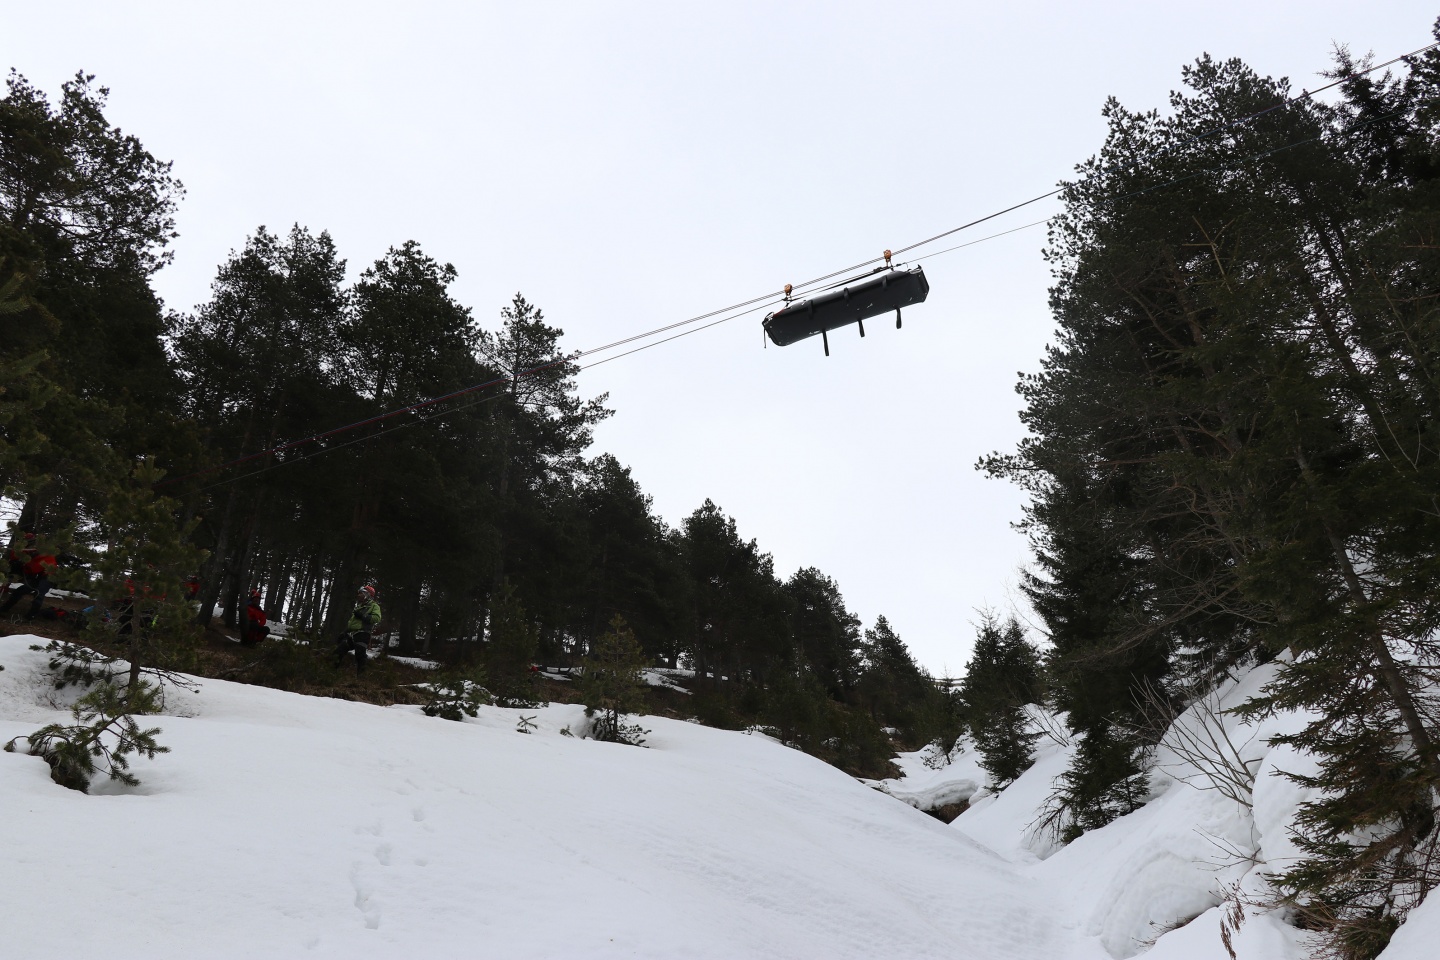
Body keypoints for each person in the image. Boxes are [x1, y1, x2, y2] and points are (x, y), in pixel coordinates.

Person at [1, 534, 58, 620]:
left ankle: (30, 616)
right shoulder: (26, 551)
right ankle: (3, 610)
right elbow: (16, 557)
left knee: (39, 593)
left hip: (48, 576)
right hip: (36, 576)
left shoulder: (44, 552)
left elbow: (38, 566)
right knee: (19, 591)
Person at [335, 585, 381, 674]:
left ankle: (361, 679)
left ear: (367, 595)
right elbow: (353, 623)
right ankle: (330, 673)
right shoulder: (359, 606)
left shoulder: (374, 606)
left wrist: (363, 616)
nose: (358, 595)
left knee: (360, 655)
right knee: (338, 652)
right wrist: (344, 632)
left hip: (363, 634)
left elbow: (377, 618)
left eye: (361, 593)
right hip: (352, 634)